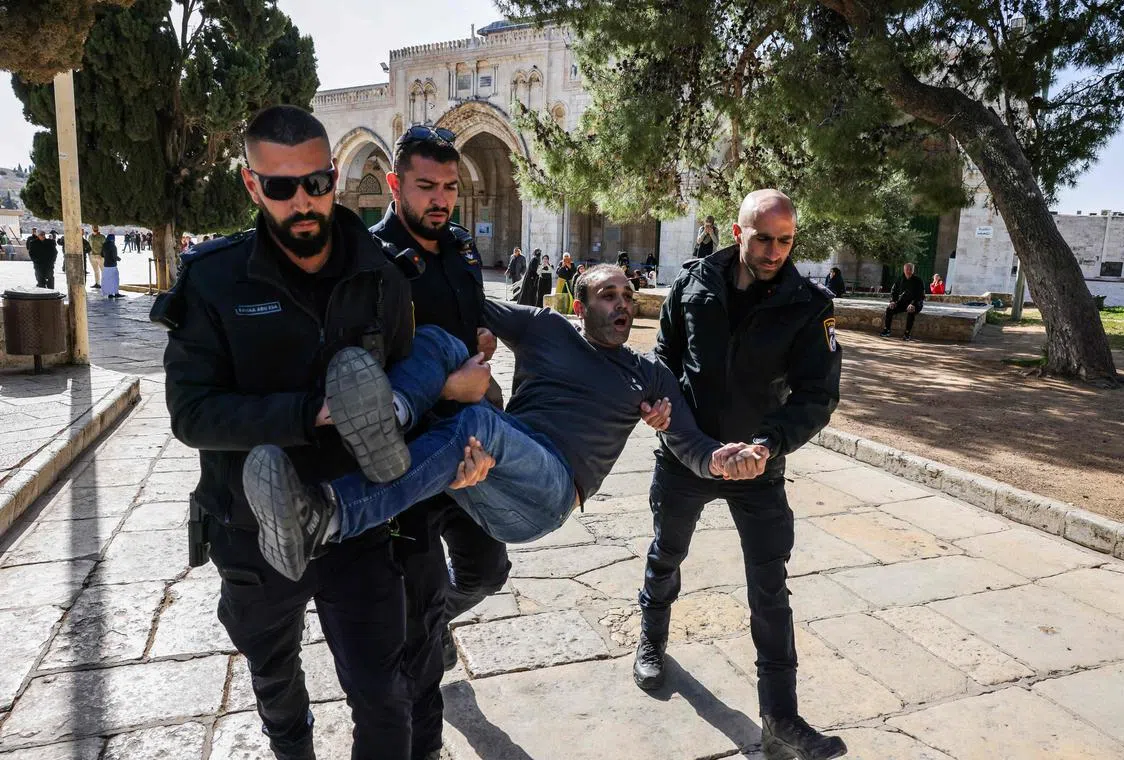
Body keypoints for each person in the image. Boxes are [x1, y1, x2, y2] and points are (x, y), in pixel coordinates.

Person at [157, 104, 425, 760]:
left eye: (318, 182)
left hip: (354, 525)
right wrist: (309, 414)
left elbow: (405, 379)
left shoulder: (381, 271)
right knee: (276, 683)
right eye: (281, 187)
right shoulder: (214, 281)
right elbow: (192, 414)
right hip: (253, 531)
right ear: (253, 186)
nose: (303, 201)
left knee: (384, 694)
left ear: (334, 176)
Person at [242, 264, 770, 580]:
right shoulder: (545, 329)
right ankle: (394, 413)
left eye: (628, 296)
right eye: (608, 295)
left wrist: (720, 459)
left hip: (550, 492)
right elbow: (461, 305)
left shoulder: (650, 377)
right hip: (488, 473)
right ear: (579, 305)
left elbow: (692, 445)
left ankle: (330, 518)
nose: (622, 304)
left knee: (480, 421)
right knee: (446, 342)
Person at [636, 190, 845, 760]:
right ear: (737, 232)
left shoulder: (809, 305)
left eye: (785, 240)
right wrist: (659, 406)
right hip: (687, 458)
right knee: (666, 555)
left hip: (758, 466)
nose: (774, 251)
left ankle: (780, 716)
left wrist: (766, 444)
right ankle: (651, 641)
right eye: (762, 238)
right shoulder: (692, 285)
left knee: (770, 587)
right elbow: (665, 363)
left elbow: (817, 395)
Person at [367, 123, 507, 756]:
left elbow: (470, 320)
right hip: (412, 460)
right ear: (396, 184)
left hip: (468, 446)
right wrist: (447, 387)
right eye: (426, 186)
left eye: (450, 186)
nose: (441, 199)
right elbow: (364, 369)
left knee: (488, 568)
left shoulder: (461, 250)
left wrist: (482, 345)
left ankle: (435, 622)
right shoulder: (372, 261)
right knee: (415, 618)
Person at [880, 262, 925, 341]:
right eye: (906, 269)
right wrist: (893, 301)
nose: (908, 271)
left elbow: (920, 295)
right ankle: (887, 330)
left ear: (913, 270)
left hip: (916, 303)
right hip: (903, 302)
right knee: (889, 309)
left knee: (911, 311)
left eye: (910, 269)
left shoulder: (918, 281)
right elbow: (894, 291)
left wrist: (913, 304)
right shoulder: (900, 279)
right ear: (904, 270)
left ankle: (907, 334)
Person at [101, 234, 124, 299]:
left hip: (106, 266)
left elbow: (102, 254)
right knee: (115, 279)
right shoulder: (113, 246)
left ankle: (110, 294)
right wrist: (118, 259)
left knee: (108, 280)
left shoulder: (104, 245)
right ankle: (116, 293)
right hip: (112, 266)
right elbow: (114, 257)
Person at [88, 225, 107, 290]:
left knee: (103, 271)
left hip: (100, 256)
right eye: (94, 227)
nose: (95, 228)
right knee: (95, 271)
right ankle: (97, 283)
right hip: (92, 256)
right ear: (92, 228)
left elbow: (105, 246)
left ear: (98, 228)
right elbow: (88, 245)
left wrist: (104, 254)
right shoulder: (90, 236)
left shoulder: (102, 236)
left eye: (96, 227)